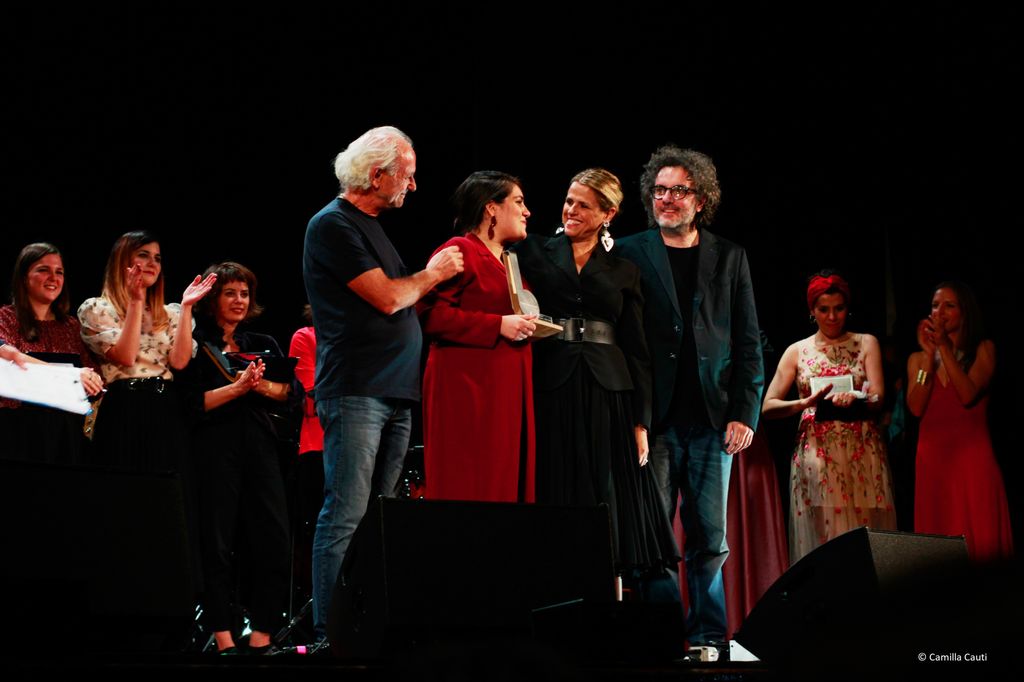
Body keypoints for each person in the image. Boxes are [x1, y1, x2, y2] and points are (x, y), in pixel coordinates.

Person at [302, 125, 464, 644]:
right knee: (346, 512)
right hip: (357, 390)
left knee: (381, 518)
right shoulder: (332, 226)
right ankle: (332, 631)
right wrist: (434, 274)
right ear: (376, 175)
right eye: (407, 177)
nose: (412, 188)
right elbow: (390, 298)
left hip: (394, 392)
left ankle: (368, 623)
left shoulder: (372, 227)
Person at [616, 146, 764, 649]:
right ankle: (661, 638)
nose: (667, 199)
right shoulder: (631, 251)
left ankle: (708, 638)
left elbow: (748, 343)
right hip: (652, 421)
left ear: (700, 198)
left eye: (678, 190)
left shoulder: (730, 256)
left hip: (711, 419)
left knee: (709, 541)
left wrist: (746, 412)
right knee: (653, 537)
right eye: (659, 190)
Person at [516, 168, 678, 583]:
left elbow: (638, 350)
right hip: (552, 383)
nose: (571, 210)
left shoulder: (625, 270)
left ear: (608, 213)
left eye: (583, 205)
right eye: (569, 201)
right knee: (557, 482)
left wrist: (642, 420)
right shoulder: (534, 251)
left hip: (610, 390)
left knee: (608, 492)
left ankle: (608, 593)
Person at [182, 262, 294, 654]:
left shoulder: (261, 340)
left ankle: (262, 634)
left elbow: (286, 392)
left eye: (244, 293)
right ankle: (224, 637)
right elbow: (192, 404)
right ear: (213, 299)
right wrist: (239, 388)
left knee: (274, 537)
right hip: (214, 449)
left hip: (261, 446)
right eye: (230, 293)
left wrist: (256, 384)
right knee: (216, 542)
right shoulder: (196, 342)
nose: (239, 301)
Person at [418, 171, 538, 502]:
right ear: (491, 209)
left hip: (505, 389)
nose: (526, 211)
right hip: (469, 390)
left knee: (502, 483)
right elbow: (429, 315)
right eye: (518, 201)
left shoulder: (509, 261)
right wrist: (496, 325)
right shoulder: (460, 250)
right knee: (470, 481)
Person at [761, 271, 896, 563]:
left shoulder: (865, 343)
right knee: (823, 539)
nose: (832, 316)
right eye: (824, 309)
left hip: (862, 452)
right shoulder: (797, 351)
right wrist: (805, 402)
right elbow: (768, 406)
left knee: (867, 534)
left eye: (839, 308)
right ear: (812, 311)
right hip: (817, 455)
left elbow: (879, 397)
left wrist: (860, 397)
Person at [78, 231, 215, 472]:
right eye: (144, 255)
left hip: (165, 407)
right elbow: (126, 356)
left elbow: (180, 361)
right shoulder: (97, 309)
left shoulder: (169, 313)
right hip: (124, 406)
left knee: (164, 492)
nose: (153, 263)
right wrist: (135, 302)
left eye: (157, 258)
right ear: (123, 261)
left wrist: (186, 308)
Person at [907, 281, 1013, 562]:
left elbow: (966, 394)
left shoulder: (983, 349)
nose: (939, 312)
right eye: (934, 305)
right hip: (933, 461)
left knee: (977, 539)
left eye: (948, 305)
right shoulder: (918, 359)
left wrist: (945, 348)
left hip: (971, 460)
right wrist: (930, 357)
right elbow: (916, 406)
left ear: (965, 312)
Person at [0, 243, 103, 462]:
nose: (53, 277)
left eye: (59, 272)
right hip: (17, 433)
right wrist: (73, 376)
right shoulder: (5, 319)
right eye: (43, 270)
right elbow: (10, 364)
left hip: (65, 435)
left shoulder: (71, 326)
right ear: (23, 277)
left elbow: (93, 376)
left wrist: (93, 380)